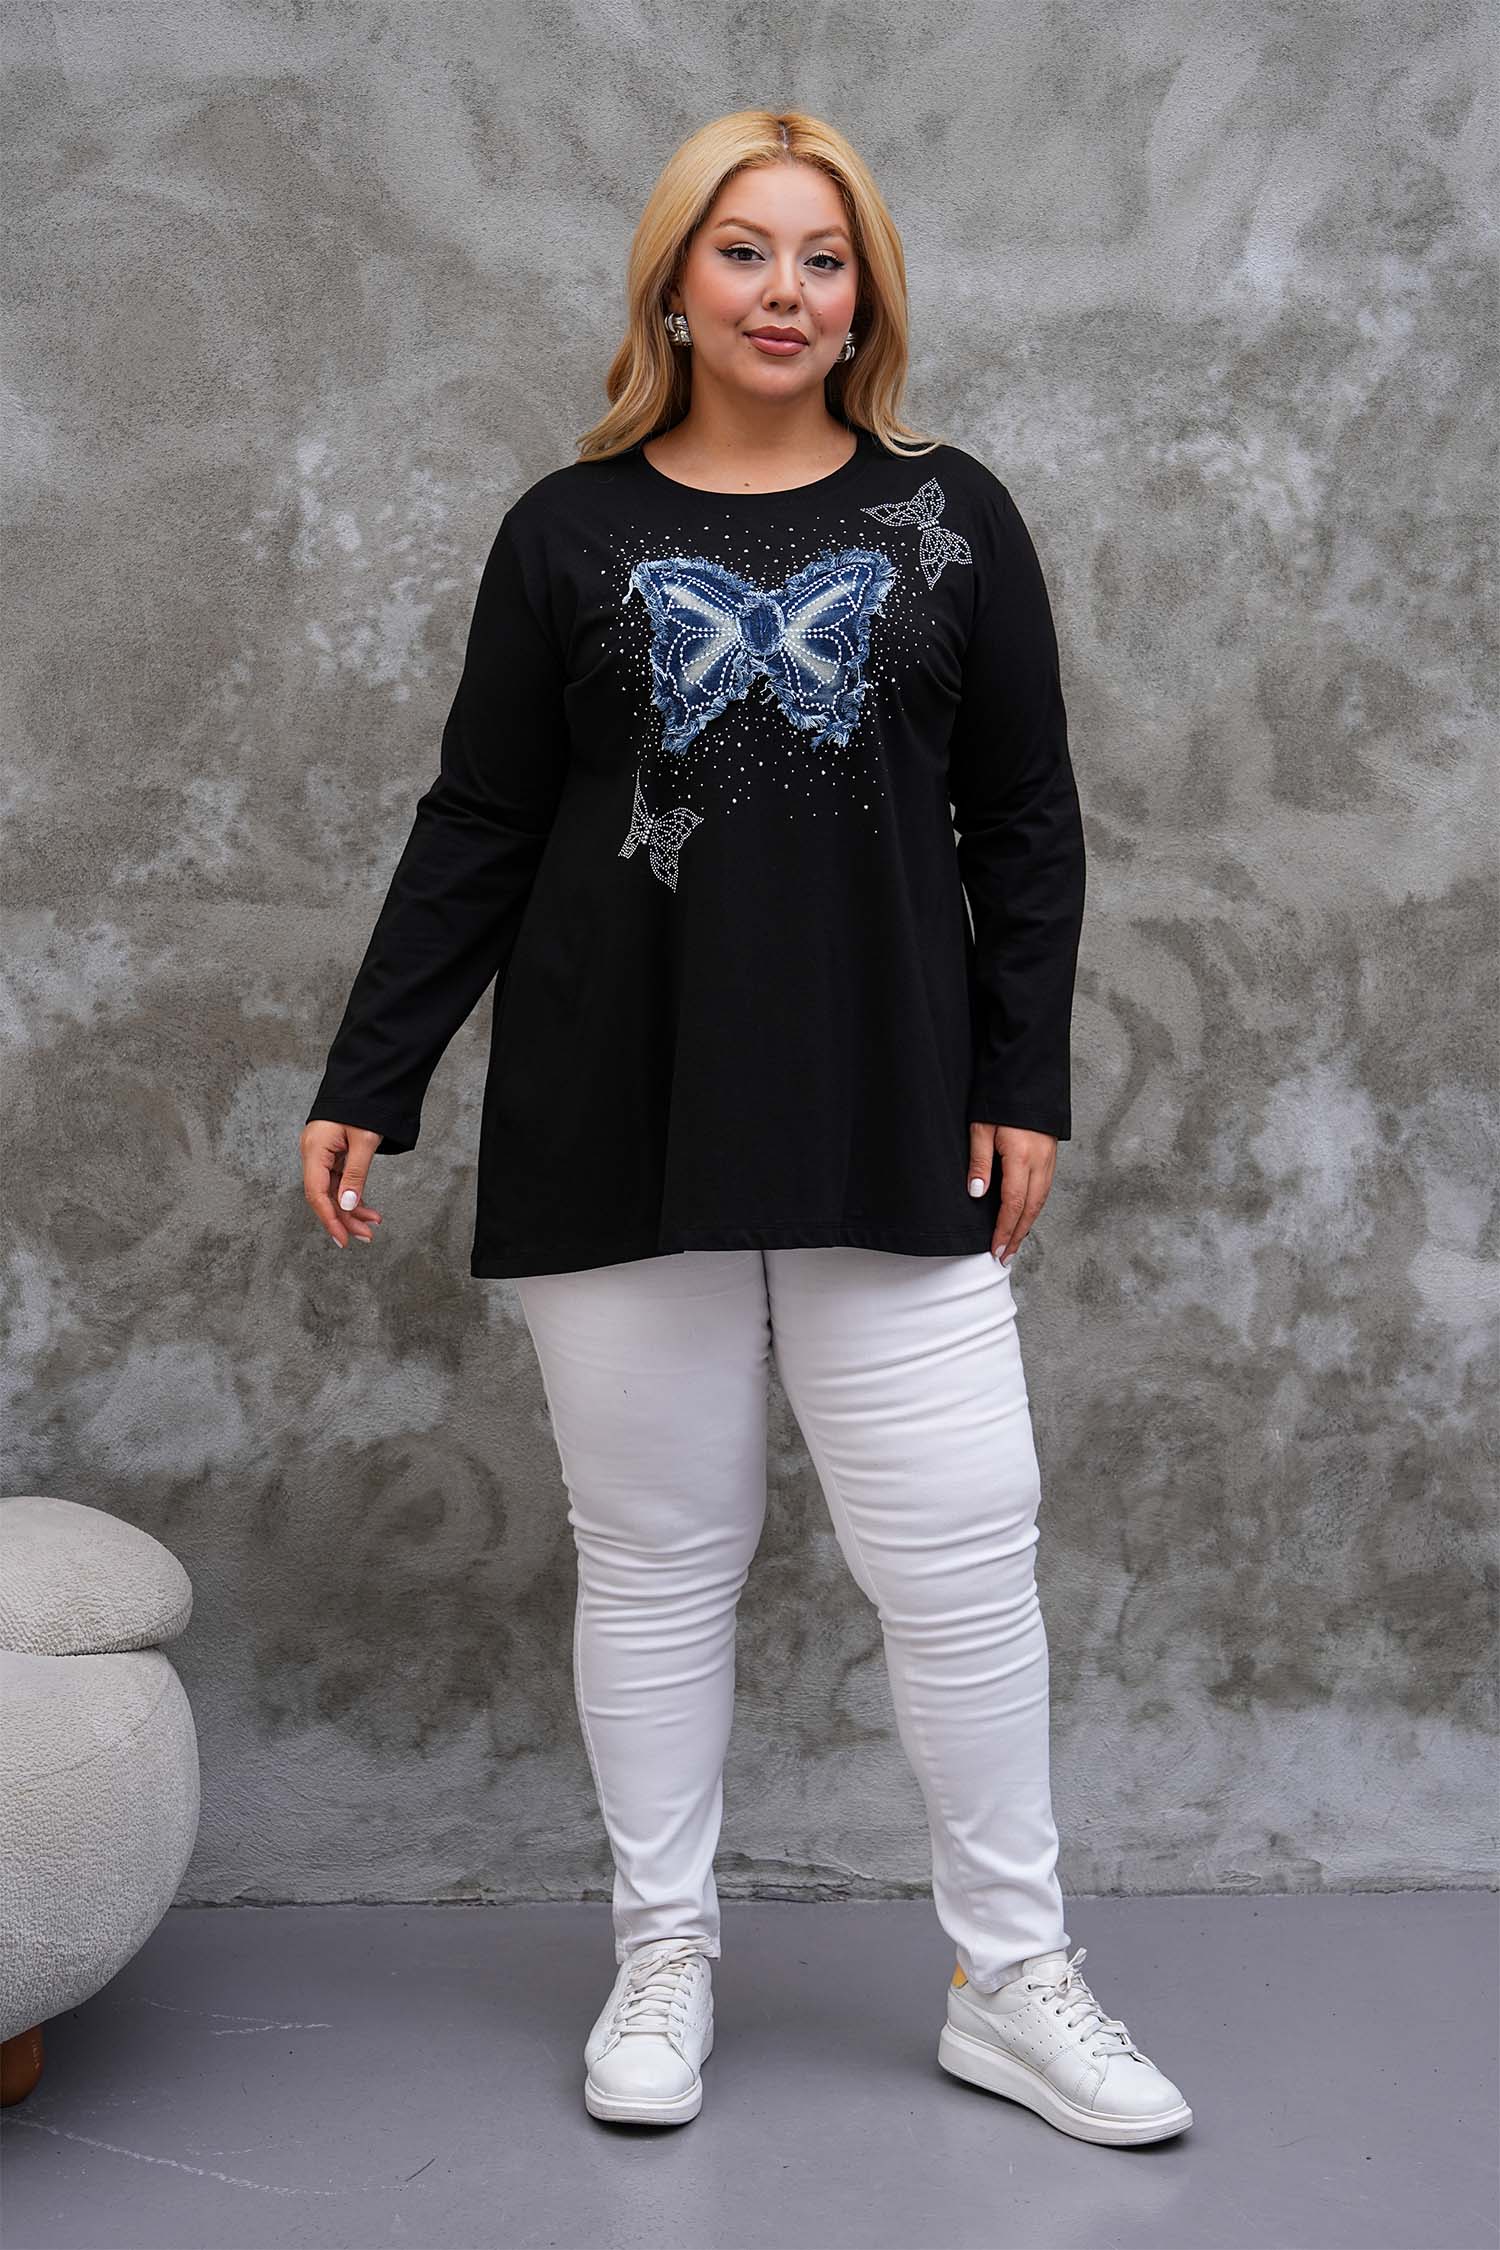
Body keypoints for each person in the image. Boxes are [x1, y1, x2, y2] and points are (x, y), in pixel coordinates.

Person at [300, 107, 1192, 2147]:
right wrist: (373, 1072)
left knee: (962, 1545)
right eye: (745, 251)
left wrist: (1022, 1074)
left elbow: (1027, 818)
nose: (786, 291)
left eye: (824, 256)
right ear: (675, 288)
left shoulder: (952, 516)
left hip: (895, 1103)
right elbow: (482, 818)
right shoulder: (565, 532)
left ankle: (1012, 1977)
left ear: (863, 297)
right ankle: (665, 1955)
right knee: (657, 1556)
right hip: (617, 1104)